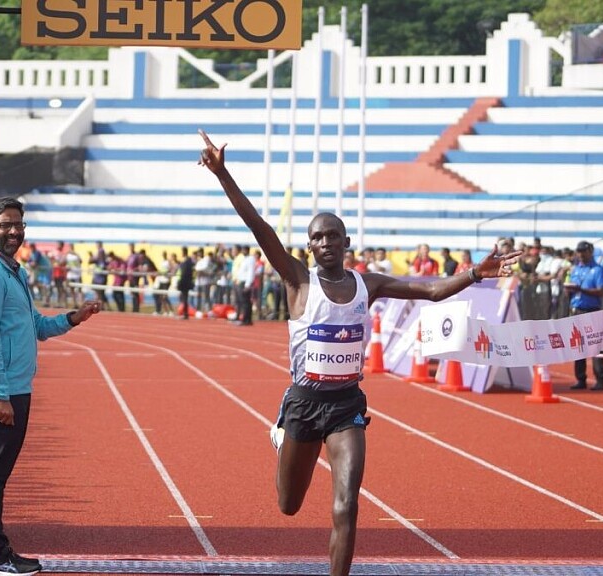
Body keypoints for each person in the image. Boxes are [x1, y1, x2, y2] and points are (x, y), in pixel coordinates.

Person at [197, 129, 519, 576]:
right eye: (318, 237)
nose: (326, 242)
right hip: (303, 405)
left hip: (346, 406)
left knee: (347, 505)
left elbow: (429, 291)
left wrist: (473, 275)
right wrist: (223, 174)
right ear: (310, 247)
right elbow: (260, 227)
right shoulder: (298, 280)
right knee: (289, 505)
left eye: (334, 235)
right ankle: (281, 435)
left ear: (346, 243)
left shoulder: (369, 284)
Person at [0, 197, 102, 576]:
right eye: (6, 225)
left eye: (19, 225)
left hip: (15, 386)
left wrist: (73, 319)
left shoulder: (13, 272)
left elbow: (35, 325)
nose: (14, 231)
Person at [566, 240, 603, 390]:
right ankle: (580, 378)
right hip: (576, 309)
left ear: (590, 252)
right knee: (578, 346)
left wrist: (581, 290)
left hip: (591, 310)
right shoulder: (576, 269)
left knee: (595, 346)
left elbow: (601, 291)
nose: (581, 254)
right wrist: (569, 291)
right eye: (579, 251)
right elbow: (572, 287)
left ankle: (600, 379)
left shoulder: (597, 270)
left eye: (584, 251)